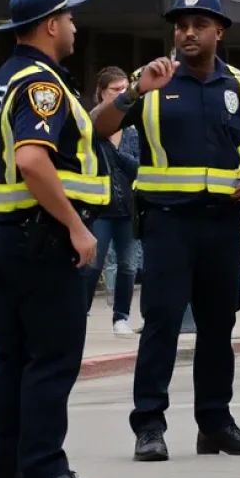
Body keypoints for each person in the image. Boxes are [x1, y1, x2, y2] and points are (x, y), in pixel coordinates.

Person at [90, 0, 240, 464]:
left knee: (219, 325)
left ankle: (215, 424)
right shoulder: (152, 79)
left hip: (222, 225)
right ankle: (150, 427)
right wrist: (136, 92)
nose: (187, 32)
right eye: (181, 25)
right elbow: (97, 126)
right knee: (160, 323)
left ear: (219, 32)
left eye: (199, 24)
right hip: (167, 224)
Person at [0, 0, 115, 478]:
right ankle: (41, 469)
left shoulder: (4, 78)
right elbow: (32, 159)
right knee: (52, 357)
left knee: (12, 358)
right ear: (51, 25)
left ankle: (4, 473)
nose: (76, 27)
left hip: (4, 235)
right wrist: (77, 228)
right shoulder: (42, 84)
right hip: (41, 240)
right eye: (71, 18)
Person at [84, 67, 141, 336]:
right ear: (101, 93)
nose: (120, 94)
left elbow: (138, 167)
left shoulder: (132, 129)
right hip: (99, 208)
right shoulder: (91, 126)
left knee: (128, 264)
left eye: (124, 89)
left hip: (128, 208)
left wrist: (119, 157)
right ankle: (79, 313)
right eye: (114, 90)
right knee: (93, 264)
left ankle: (121, 317)